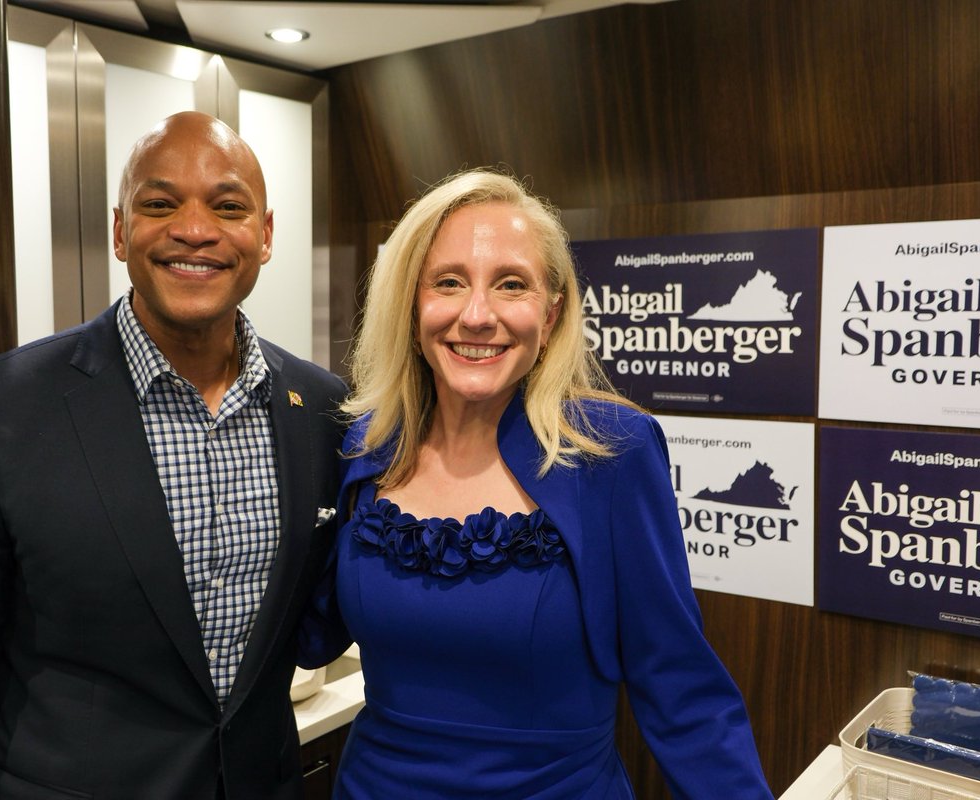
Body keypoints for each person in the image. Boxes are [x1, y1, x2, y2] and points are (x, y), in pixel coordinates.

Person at [0, 111, 346, 800]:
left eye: (228, 206)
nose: (195, 229)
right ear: (121, 231)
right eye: (160, 204)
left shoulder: (323, 410)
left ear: (265, 234)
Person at [300, 169, 773, 798]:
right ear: (411, 306)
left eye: (511, 284)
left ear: (551, 315)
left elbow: (682, 689)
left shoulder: (611, 453)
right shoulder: (367, 446)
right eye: (448, 282)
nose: (476, 315)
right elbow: (311, 632)